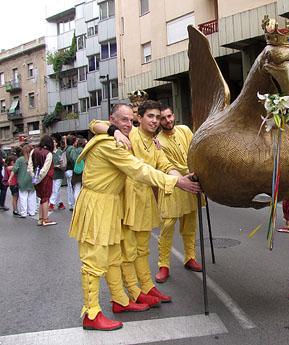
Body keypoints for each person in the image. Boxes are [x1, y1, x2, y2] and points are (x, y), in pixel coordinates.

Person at [69, 104, 201, 331]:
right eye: (124, 121)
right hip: (98, 204)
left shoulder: (125, 138)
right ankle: (91, 313)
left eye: (130, 121)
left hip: (110, 203)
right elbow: (139, 169)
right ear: (113, 120)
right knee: (94, 260)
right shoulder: (112, 143)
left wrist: (180, 175)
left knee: (112, 256)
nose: (128, 125)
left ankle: (120, 300)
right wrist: (177, 182)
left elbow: (159, 165)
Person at [90, 100, 178, 305]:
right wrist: (114, 131)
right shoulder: (129, 133)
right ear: (140, 118)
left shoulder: (154, 142)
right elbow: (94, 124)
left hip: (146, 201)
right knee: (127, 252)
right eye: (151, 116)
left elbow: (165, 165)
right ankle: (133, 291)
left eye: (158, 117)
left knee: (143, 249)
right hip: (127, 201)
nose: (155, 121)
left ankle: (146, 286)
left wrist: (183, 178)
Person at [155, 104, 203, 283]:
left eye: (169, 116)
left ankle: (190, 258)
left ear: (173, 115)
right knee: (167, 226)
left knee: (190, 224)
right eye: (163, 118)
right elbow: (167, 166)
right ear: (159, 121)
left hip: (191, 185)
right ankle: (163, 265)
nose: (167, 121)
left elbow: (195, 150)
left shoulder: (184, 130)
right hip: (173, 186)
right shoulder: (158, 140)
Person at [28, 135, 57, 226]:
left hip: (35, 178)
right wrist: (40, 178)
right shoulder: (48, 154)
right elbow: (45, 169)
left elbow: (30, 166)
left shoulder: (33, 151)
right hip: (46, 178)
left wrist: (35, 178)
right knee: (45, 198)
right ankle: (45, 219)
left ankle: (40, 219)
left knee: (41, 198)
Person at [9, 145, 36, 218]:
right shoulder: (33, 159)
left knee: (23, 197)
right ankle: (32, 211)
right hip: (32, 180)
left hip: (22, 180)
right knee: (32, 196)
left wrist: (10, 178)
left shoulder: (19, 160)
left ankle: (23, 213)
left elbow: (14, 170)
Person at [49, 137, 66, 211]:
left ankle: (51, 204)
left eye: (54, 142)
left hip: (59, 173)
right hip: (52, 173)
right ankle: (60, 203)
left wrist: (62, 165)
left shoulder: (60, 152)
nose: (53, 144)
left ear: (56, 143)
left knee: (56, 188)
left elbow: (64, 160)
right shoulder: (49, 153)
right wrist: (56, 166)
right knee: (54, 189)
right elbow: (48, 164)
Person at [63, 135, 78, 211]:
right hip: (71, 169)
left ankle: (70, 204)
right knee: (74, 188)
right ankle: (73, 204)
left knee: (69, 188)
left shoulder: (65, 148)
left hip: (66, 169)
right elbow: (73, 159)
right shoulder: (72, 149)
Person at [71, 138, 86, 202]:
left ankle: (76, 203)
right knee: (84, 188)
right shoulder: (85, 150)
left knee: (76, 189)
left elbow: (72, 159)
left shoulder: (74, 151)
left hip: (76, 171)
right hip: (84, 171)